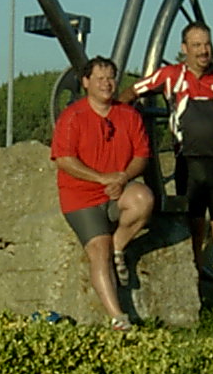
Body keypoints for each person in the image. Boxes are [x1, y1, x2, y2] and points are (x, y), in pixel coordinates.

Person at [119, 21, 213, 306]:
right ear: (184, 49)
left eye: (206, 44)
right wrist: (115, 117)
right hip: (188, 166)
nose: (203, 51)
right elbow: (133, 91)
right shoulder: (170, 77)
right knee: (194, 231)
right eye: (196, 45)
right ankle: (198, 298)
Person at [51, 55, 154, 329]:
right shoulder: (72, 117)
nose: (107, 84)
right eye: (100, 79)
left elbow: (142, 156)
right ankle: (118, 317)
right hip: (81, 196)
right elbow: (64, 160)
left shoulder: (129, 116)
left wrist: (123, 177)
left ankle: (119, 245)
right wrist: (100, 177)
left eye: (110, 78)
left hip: (117, 190)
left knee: (143, 199)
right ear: (86, 82)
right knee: (99, 249)